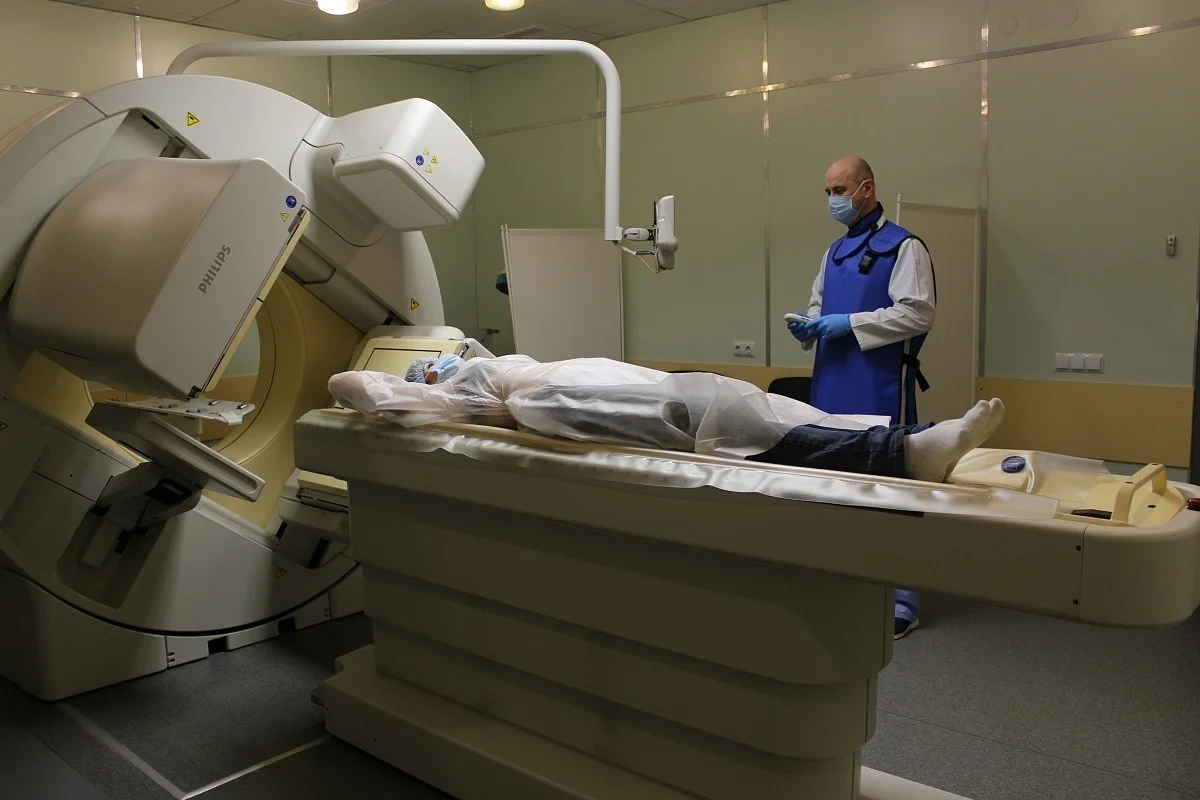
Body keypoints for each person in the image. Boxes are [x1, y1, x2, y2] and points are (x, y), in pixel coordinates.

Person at [329, 354, 1005, 488]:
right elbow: (355, 387)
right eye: (426, 367)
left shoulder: (480, 361)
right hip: (567, 403)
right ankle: (905, 456)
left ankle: (902, 443)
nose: (436, 363)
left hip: (612, 381)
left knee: (770, 410)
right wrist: (421, 383)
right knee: (744, 432)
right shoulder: (455, 395)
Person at [787, 156, 938, 639]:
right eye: (828, 191)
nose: (833, 199)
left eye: (839, 190)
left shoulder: (903, 247)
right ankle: (846, 585)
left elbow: (918, 313)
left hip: (879, 388)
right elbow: (819, 305)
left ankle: (902, 601)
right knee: (835, 489)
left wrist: (849, 325)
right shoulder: (834, 253)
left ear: (866, 189)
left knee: (889, 491)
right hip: (830, 386)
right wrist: (810, 326)